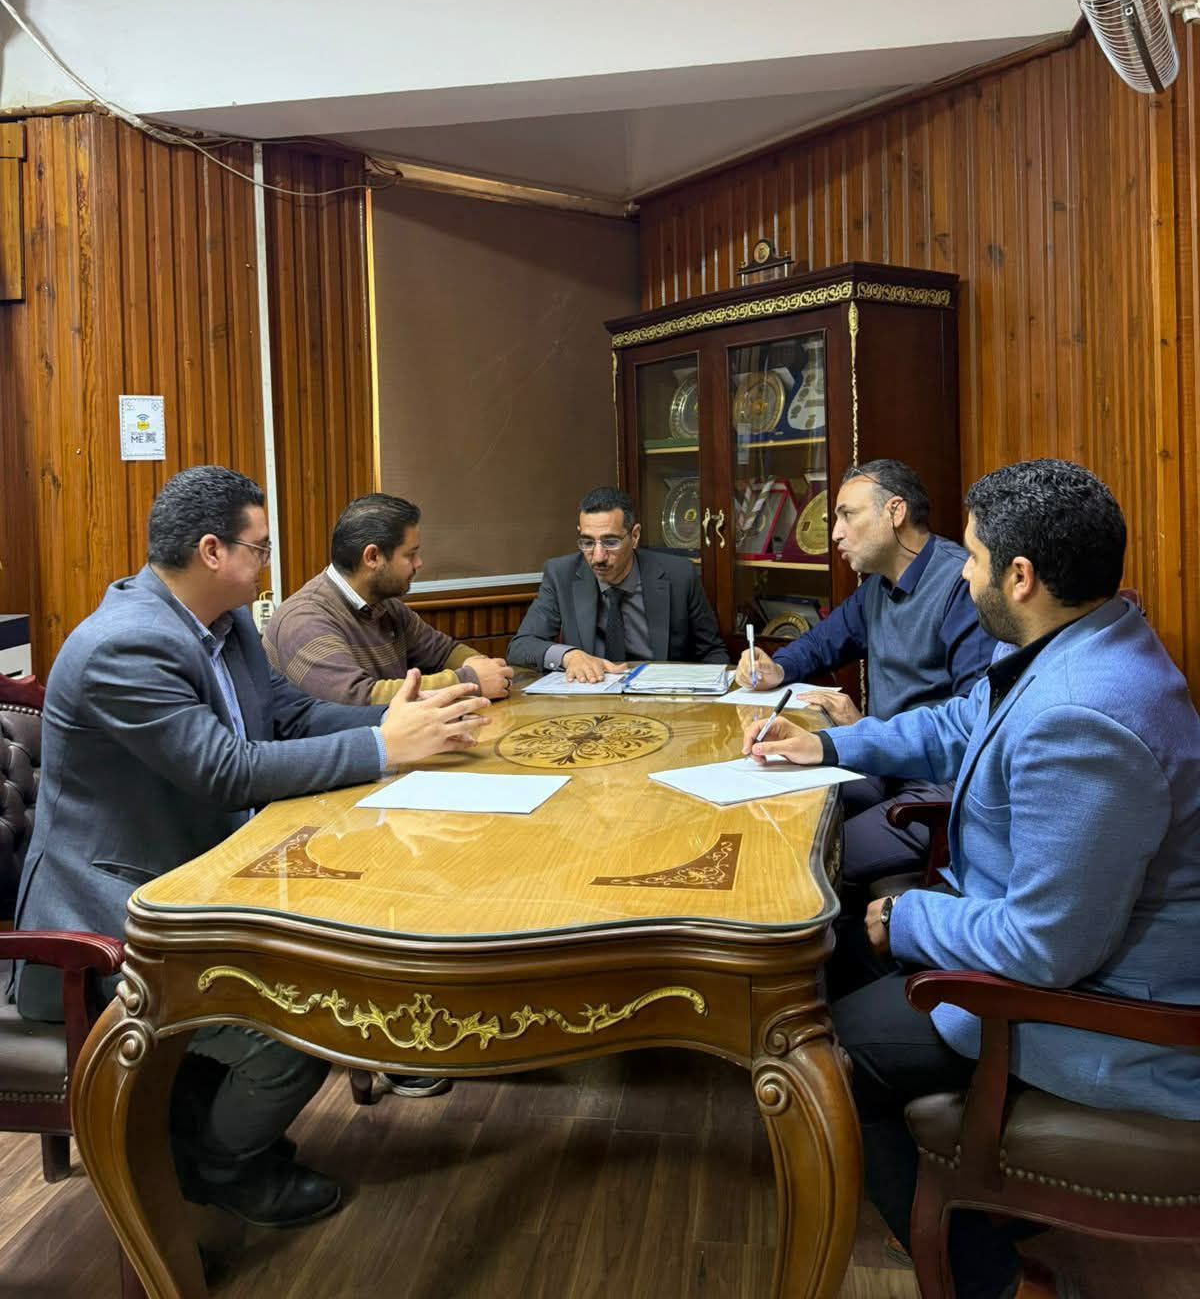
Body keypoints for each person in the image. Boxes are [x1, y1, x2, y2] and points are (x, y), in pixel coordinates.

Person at [742, 459, 1200, 1299]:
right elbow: (958, 723)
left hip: (1107, 1012)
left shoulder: (1085, 717)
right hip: (1061, 954)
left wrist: (912, 918)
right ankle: (989, 1221)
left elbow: (1045, 946)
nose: (961, 573)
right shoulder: (1079, 638)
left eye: (976, 559)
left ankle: (989, 1279)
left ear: (1021, 578)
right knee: (834, 957)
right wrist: (830, 745)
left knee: (817, 1055)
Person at [14, 466, 488, 1231]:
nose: (270, 563)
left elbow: (289, 716)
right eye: (260, 548)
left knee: (332, 977)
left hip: (198, 884)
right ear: (212, 551)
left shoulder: (228, 621)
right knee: (305, 1024)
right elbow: (225, 771)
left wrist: (404, 721)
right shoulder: (122, 646)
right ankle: (214, 1165)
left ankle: (202, 1141)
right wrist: (385, 750)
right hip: (102, 930)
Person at [735, 459, 994, 888]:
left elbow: (973, 726)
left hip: (936, 790)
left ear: (895, 511)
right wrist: (775, 667)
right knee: (766, 803)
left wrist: (861, 729)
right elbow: (822, 643)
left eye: (847, 515)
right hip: (882, 765)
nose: (835, 532)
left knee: (793, 858)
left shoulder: (960, 586)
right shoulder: (877, 586)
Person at [264, 492, 514, 704]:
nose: (419, 563)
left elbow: (443, 651)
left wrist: (482, 667)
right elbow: (355, 700)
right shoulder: (304, 619)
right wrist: (470, 680)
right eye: (410, 554)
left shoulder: (386, 605)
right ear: (372, 557)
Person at [507, 485, 727, 677]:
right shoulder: (561, 574)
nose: (598, 557)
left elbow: (712, 652)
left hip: (661, 697)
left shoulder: (678, 575)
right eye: (587, 542)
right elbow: (520, 647)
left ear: (635, 536)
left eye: (610, 542)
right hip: (592, 696)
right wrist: (569, 656)